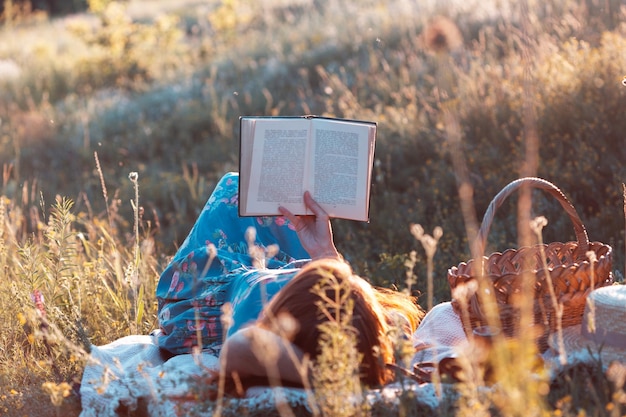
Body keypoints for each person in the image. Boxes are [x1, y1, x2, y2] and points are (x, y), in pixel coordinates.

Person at [154, 172, 423, 392]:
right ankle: (324, 267)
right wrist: (326, 254)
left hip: (218, 286)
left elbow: (240, 348)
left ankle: (321, 270)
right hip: (290, 277)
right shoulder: (374, 330)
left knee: (235, 186)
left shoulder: (268, 336)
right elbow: (394, 320)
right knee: (251, 191)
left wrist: (332, 377)